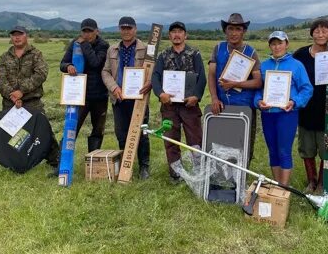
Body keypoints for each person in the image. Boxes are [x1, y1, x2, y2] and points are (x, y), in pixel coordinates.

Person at [292, 18, 328, 192]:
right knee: (306, 148)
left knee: (327, 149)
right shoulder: (301, 54)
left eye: (324, 31)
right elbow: (292, 78)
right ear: (311, 34)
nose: (320, 34)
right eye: (317, 31)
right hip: (305, 108)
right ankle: (311, 180)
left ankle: (322, 183)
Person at [0, 25, 60, 170]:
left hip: (32, 101)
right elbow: (0, 78)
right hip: (10, 102)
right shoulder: (5, 57)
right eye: (14, 35)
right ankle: (18, 161)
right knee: (13, 133)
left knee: (42, 130)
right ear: (11, 38)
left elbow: (41, 74)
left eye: (20, 34)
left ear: (26, 36)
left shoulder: (36, 54)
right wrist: (12, 95)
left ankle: (55, 159)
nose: (17, 37)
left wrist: (21, 91)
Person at [151, 21, 207, 183]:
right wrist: (160, 93)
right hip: (169, 106)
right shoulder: (163, 55)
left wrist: (196, 96)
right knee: (171, 139)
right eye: (173, 32)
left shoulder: (194, 54)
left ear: (185, 35)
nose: (176, 34)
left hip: (189, 105)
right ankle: (176, 172)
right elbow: (155, 77)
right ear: (169, 36)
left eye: (180, 31)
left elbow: (201, 77)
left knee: (195, 139)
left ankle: (199, 172)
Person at [254, 31, 313, 185]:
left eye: (280, 43)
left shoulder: (296, 65)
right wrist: (258, 101)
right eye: (273, 43)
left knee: (284, 151)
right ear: (269, 46)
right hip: (268, 114)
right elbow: (258, 90)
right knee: (272, 151)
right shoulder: (264, 66)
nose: (277, 46)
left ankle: (283, 188)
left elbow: (307, 89)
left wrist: (294, 101)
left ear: (286, 44)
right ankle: (276, 184)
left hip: (287, 114)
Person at [101, 16, 152, 179]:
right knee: (121, 133)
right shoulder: (112, 49)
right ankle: (125, 165)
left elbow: (153, 71)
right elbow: (105, 71)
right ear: (119, 29)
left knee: (142, 133)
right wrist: (114, 87)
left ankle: (144, 167)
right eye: (123, 28)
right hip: (119, 98)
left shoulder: (146, 49)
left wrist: (149, 83)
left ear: (135, 29)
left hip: (139, 100)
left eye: (129, 28)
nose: (126, 31)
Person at [207, 13, 262, 162]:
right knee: (221, 143)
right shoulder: (218, 49)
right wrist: (214, 98)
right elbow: (211, 75)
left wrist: (235, 84)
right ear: (225, 31)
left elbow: (258, 82)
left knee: (243, 145)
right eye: (230, 28)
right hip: (222, 105)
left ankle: (241, 180)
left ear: (243, 31)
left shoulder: (251, 53)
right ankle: (222, 179)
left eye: (238, 29)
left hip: (244, 108)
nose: (233, 33)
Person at [60, 18, 110, 152]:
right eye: (84, 31)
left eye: (90, 31)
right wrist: (68, 66)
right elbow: (62, 63)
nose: (87, 35)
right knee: (72, 128)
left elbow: (95, 63)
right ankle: (61, 162)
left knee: (98, 130)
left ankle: (93, 159)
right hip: (79, 96)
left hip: (99, 95)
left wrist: (85, 45)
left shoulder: (103, 45)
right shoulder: (75, 44)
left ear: (97, 31)